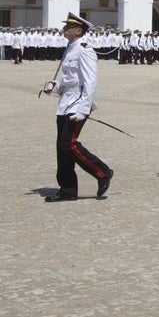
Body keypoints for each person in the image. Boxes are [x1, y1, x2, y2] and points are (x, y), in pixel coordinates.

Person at [44, 13, 113, 202]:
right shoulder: (70, 48)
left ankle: (102, 172)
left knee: (69, 144)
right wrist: (55, 88)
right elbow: (70, 80)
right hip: (65, 102)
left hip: (78, 103)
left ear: (78, 30)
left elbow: (90, 81)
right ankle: (67, 189)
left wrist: (83, 108)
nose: (64, 29)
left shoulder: (85, 50)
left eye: (68, 27)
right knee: (62, 148)